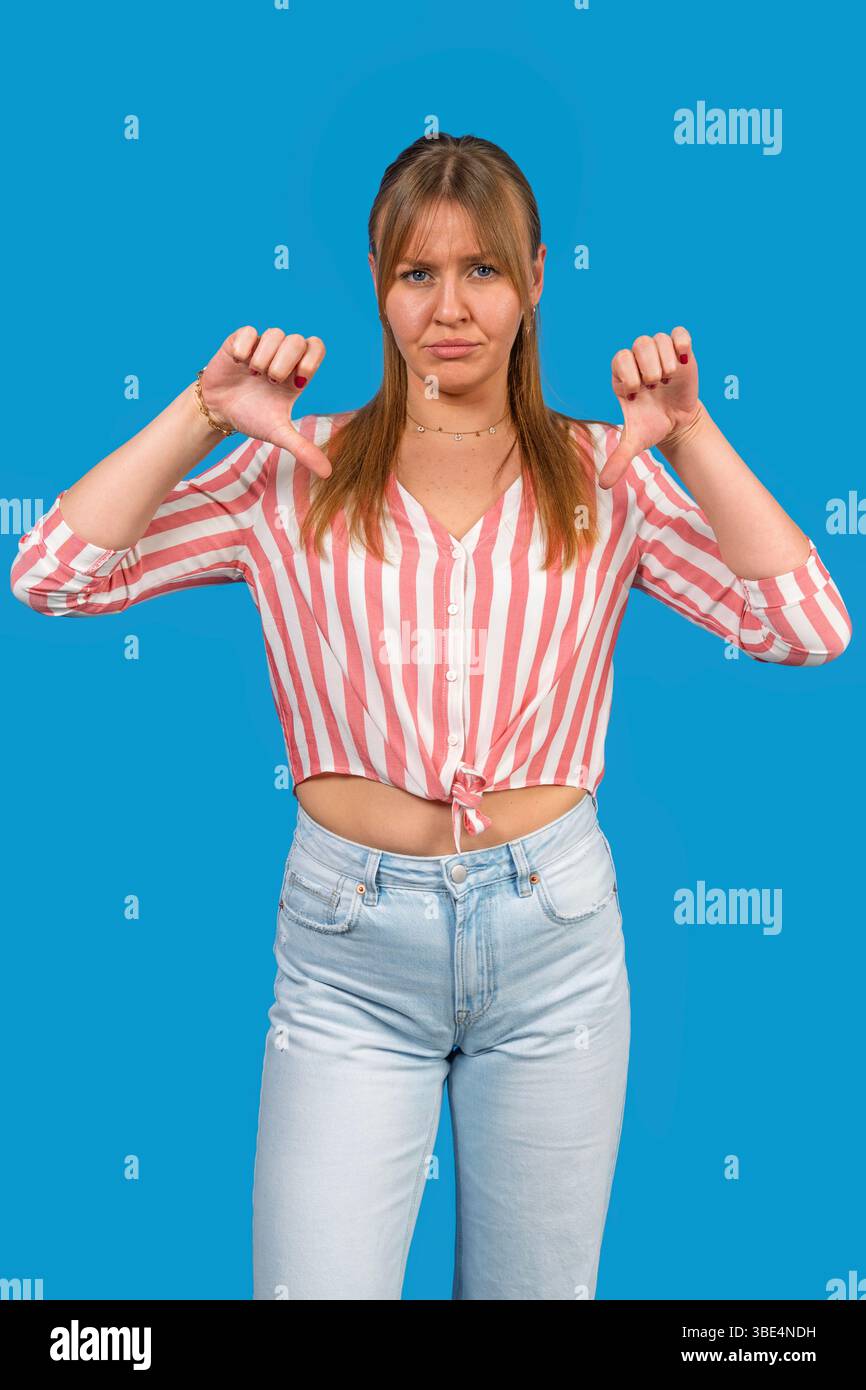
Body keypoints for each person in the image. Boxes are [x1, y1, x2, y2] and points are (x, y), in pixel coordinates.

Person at [10, 133, 853, 1301]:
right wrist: (205, 411)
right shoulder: (291, 469)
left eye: (482, 272)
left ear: (536, 278)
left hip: (553, 936)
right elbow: (54, 573)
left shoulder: (607, 475)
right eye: (416, 274)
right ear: (374, 282)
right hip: (350, 946)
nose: (448, 307)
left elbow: (806, 623)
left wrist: (693, 433)